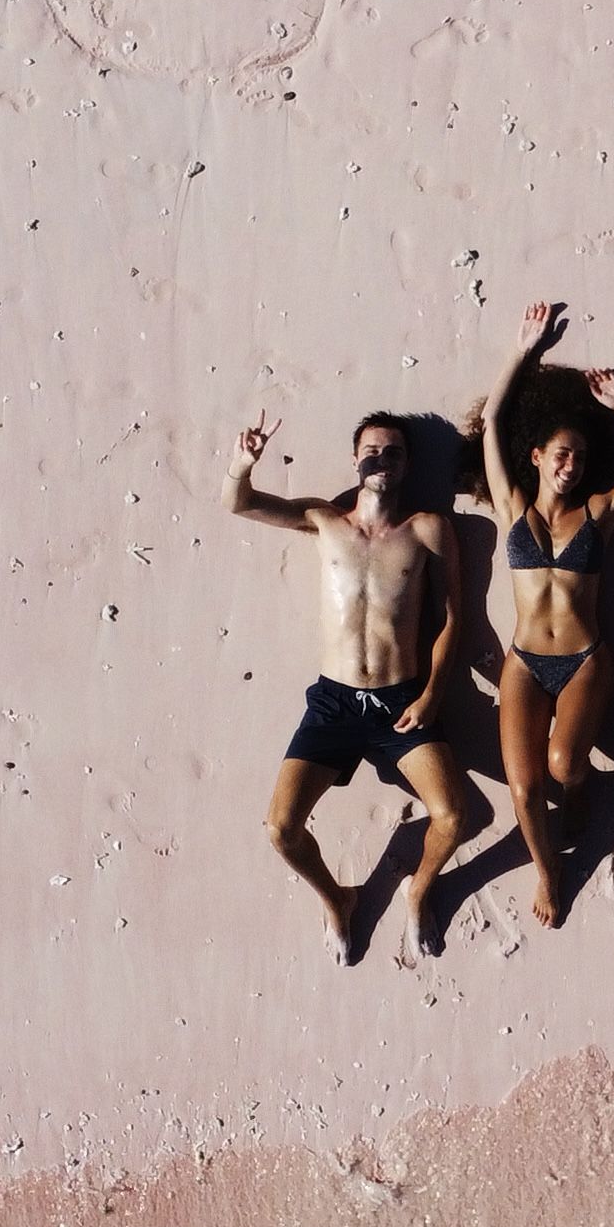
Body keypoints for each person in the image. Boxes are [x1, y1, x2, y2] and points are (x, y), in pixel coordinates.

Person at [229, 406, 468, 958]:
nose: (381, 459)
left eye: (393, 452)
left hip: (401, 700)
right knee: (280, 831)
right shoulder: (323, 519)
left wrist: (433, 694)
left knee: (453, 817)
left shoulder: (429, 529)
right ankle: (338, 899)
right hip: (333, 704)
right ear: (355, 460)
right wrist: (242, 464)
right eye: (372, 451)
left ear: (407, 465)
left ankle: (419, 892)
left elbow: (454, 618)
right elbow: (238, 503)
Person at [477, 299, 614, 925]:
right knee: (522, 789)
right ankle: (548, 870)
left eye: (580, 459)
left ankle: (581, 789)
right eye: (560, 455)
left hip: (586, 659)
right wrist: (522, 351)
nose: (571, 467)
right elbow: (491, 424)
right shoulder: (511, 507)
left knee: (565, 766)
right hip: (523, 661)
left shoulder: (600, 512)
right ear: (536, 455)